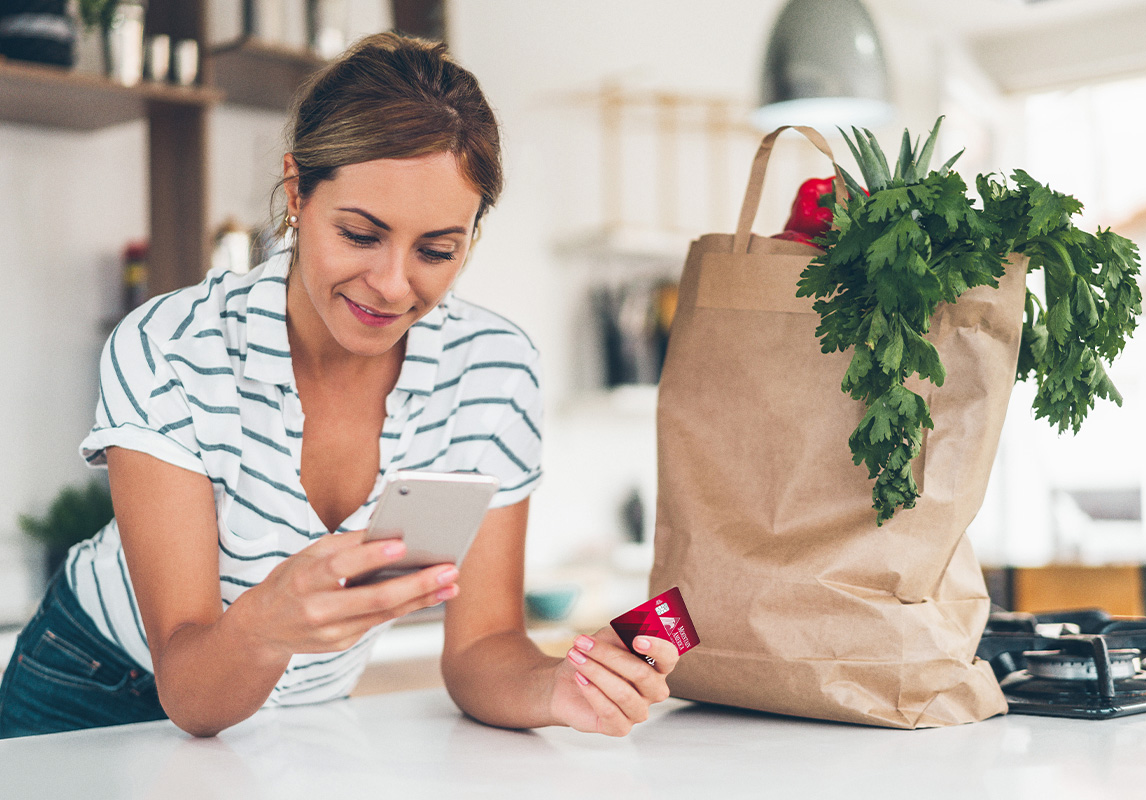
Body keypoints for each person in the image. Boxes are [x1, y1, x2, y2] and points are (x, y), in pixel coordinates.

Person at [0, 32, 679, 739]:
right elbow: (191, 690)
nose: (391, 285)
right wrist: (266, 624)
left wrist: (555, 689)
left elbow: (482, 647)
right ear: (297, 192)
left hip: (294, 719)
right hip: (91, 688)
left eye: (437, 250)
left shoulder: (493, 369)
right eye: (360, 234)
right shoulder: (170, 346)